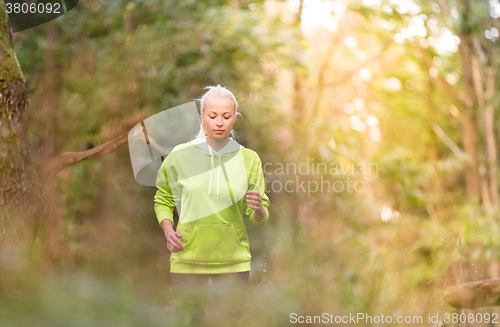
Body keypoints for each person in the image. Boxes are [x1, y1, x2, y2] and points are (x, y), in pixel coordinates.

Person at [153, 85, 270, 326]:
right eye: (212, 116)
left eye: (226, 117)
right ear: (202, 117)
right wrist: (168, 230)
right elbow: (162, 197)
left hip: (233, 261)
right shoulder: (180, 155)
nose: (219, 122)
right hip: (187, 258)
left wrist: (258, 207)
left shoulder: (249, 159)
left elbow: (258, 216)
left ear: (234, 119)